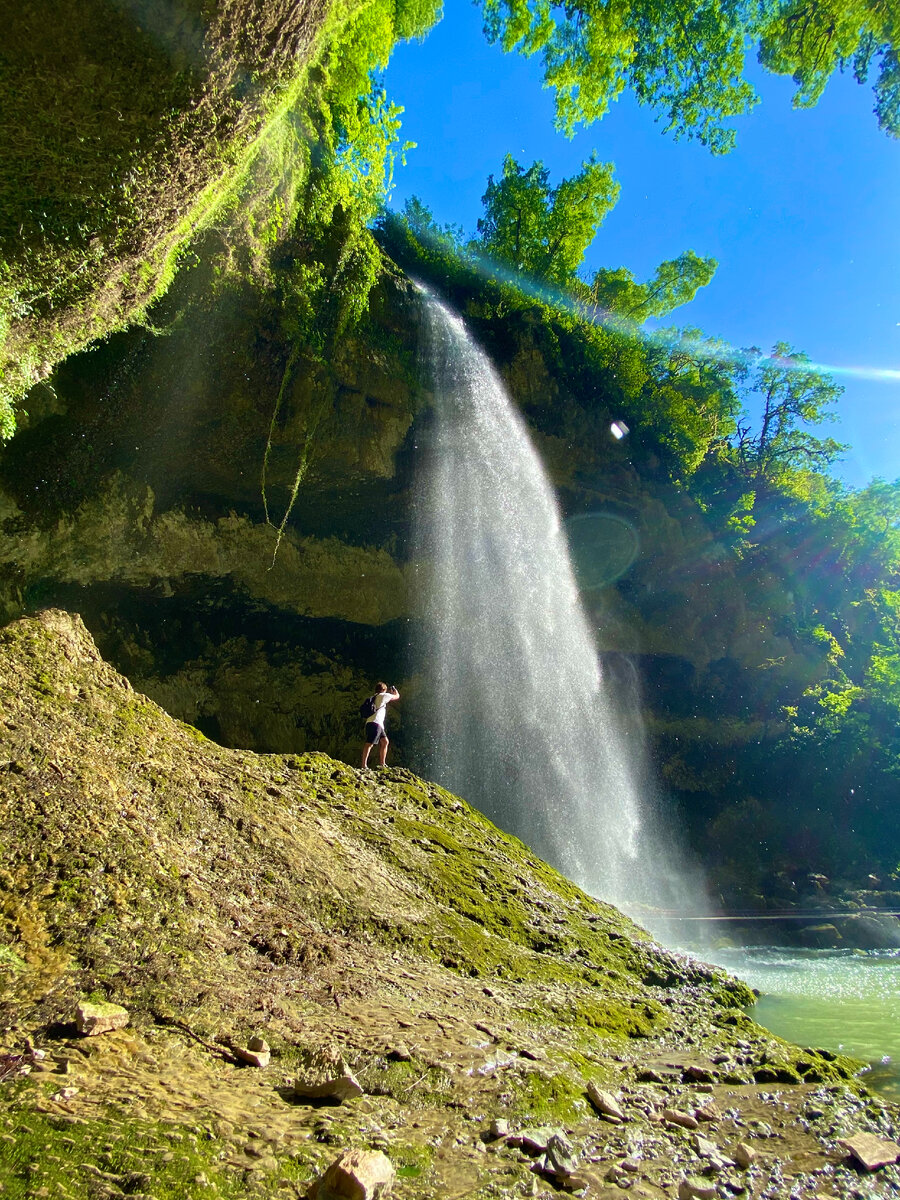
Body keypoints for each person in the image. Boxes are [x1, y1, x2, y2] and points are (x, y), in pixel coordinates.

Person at [361, 682, 400, 768]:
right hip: (376, 723)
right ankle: (364, 765)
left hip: (372, 723)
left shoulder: (374, 697)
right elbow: (397, 697)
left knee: (385, 741)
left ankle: (382, 763)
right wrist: (395, 691)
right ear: (383, 690)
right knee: (369, 743)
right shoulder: (383, 696)